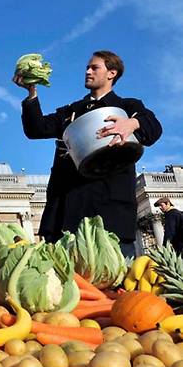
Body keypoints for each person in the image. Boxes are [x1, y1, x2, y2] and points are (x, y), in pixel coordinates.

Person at [13, 50, 162, 257]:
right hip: (67, 211)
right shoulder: (72, 111)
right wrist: (31, 94)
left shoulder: (128, 107)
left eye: (94, 67)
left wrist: (133, 123)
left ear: (112, 73)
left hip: (109, 211)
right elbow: (36, 129)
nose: (87, 71)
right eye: (87, 67)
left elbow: (153, 128)